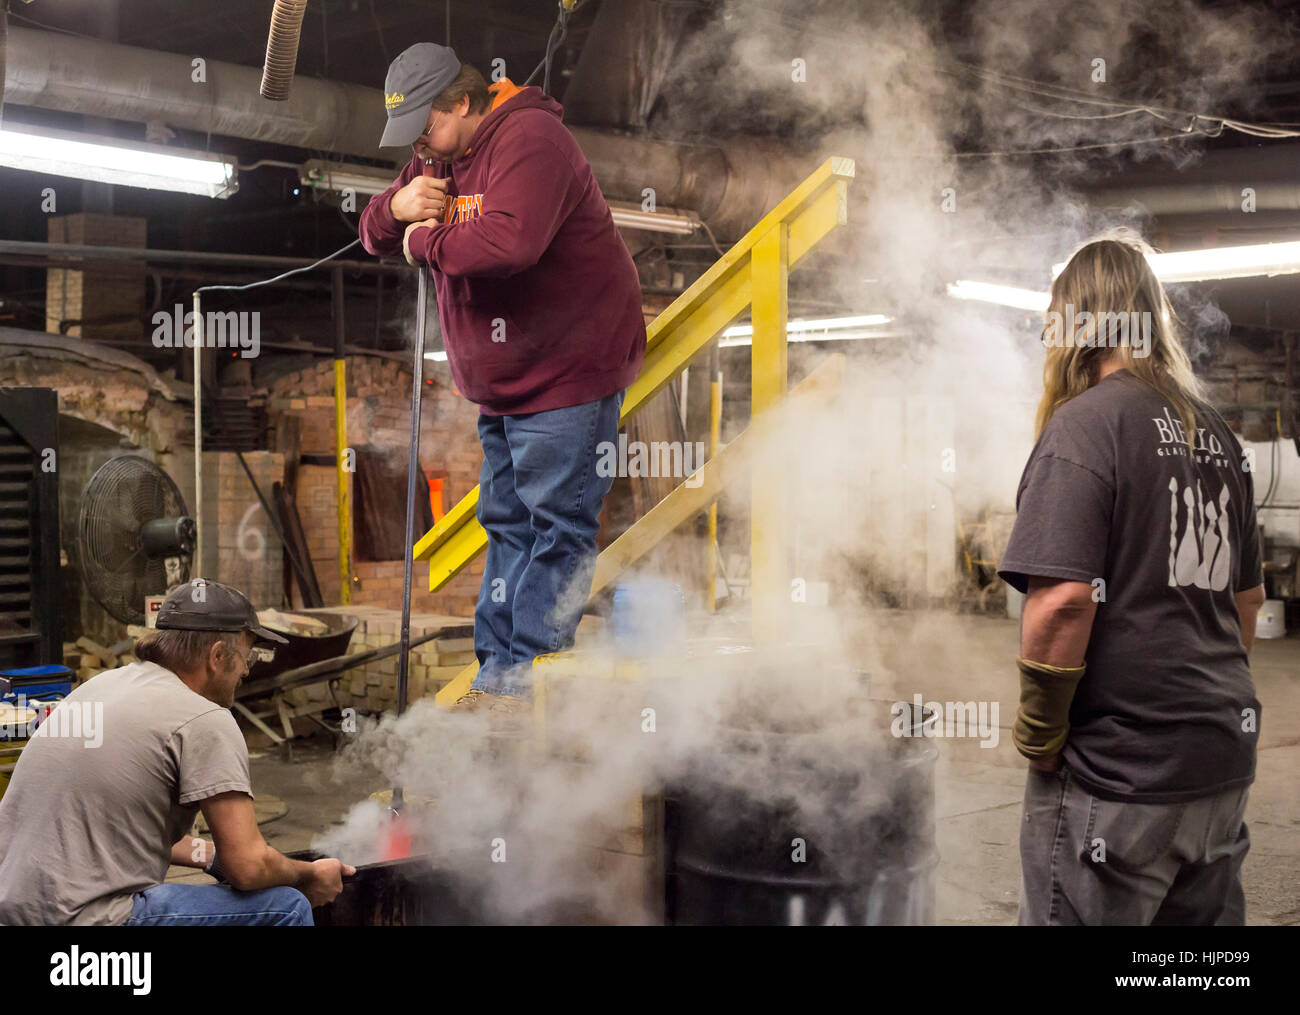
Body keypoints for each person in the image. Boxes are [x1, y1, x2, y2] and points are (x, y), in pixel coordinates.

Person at [359, 44, 646, 712]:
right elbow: (375, 231)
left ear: (462, 102)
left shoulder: (531, 138)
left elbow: (509, 243)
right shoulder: (440, 154)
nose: (420, 147)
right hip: (504, 383)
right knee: (508, 522)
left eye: (425, 127)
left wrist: (420, 242)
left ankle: (532, 680)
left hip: (567, 371)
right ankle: (499, 671)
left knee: (557, 524)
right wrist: (397, 210)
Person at [998, 233, 1266, 925]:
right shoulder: (1217, 434)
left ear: (1076, 325)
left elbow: (1061, 603)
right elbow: (1247, 599)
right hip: (1217, 762)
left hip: (1120, 777)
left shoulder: (1084, 427)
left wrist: (1041, 733)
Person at [0, 579, 353, 925]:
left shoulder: (102, 685)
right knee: (286, 907)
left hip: (15, 908)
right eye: (247, 657)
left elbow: (120, 831)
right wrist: (307, 875)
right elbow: (250, 868)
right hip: (86, 919)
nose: (246, 669)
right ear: (217, 656)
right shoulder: (204, 718)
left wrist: (211, 855)